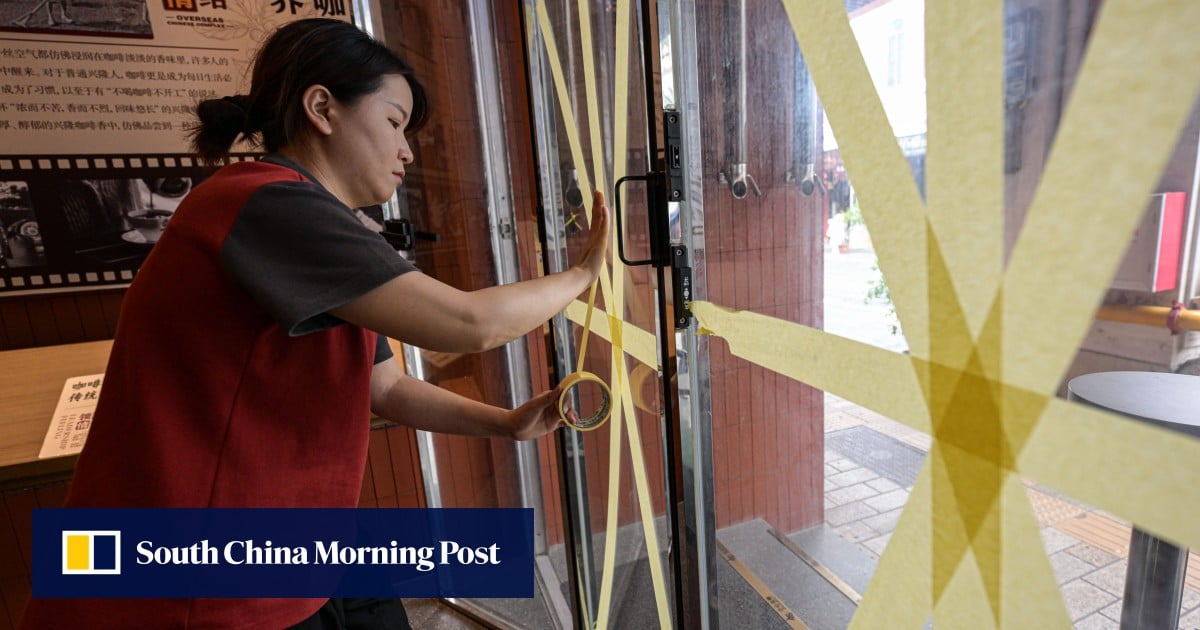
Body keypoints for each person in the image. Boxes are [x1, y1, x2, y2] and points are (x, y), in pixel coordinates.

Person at [18, 17, 609, 630]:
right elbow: (468, 323)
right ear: (323, 108)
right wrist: (582, 274)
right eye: (393, 122)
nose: (407, 149)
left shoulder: (325, 224)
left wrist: (507, 424)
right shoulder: (264, 202)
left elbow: (385, 387)